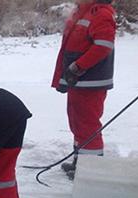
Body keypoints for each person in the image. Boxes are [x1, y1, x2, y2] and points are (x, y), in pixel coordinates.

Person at [51, 0, 116, 179]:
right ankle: (81, 162)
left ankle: (91, 171)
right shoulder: (83, 12)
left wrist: (78, 67)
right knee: (77, 122)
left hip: (90, 81)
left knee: (87, 124)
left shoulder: (100, 13)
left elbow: (103, 46)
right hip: (78, 80)